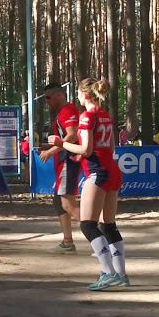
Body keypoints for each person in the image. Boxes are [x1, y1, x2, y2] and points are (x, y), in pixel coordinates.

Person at [50, 78, 129, 291]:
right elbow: (109, 147)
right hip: (111, 169)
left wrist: (61, 143)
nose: (76, 97)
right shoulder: (105, 115)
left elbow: (86, 149)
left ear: (84, 94)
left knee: (88, 224)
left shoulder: (87, 116)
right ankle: (121, 274)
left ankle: (108, 272)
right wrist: (86, 155)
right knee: (108, 225)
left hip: (98, 172)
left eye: (77, 93)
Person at [39, 84, 80, 254]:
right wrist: (48, 147)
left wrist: (51, 151)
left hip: (68, 161)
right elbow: (64, 138)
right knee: (58, 202)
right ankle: (67, 242)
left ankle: (99, 232)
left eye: (48, 97)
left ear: (59, 95)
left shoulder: (67, 111)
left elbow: (72, 135)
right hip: (63, 161)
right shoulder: (63, 112)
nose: (46, 101)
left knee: (67, 203)